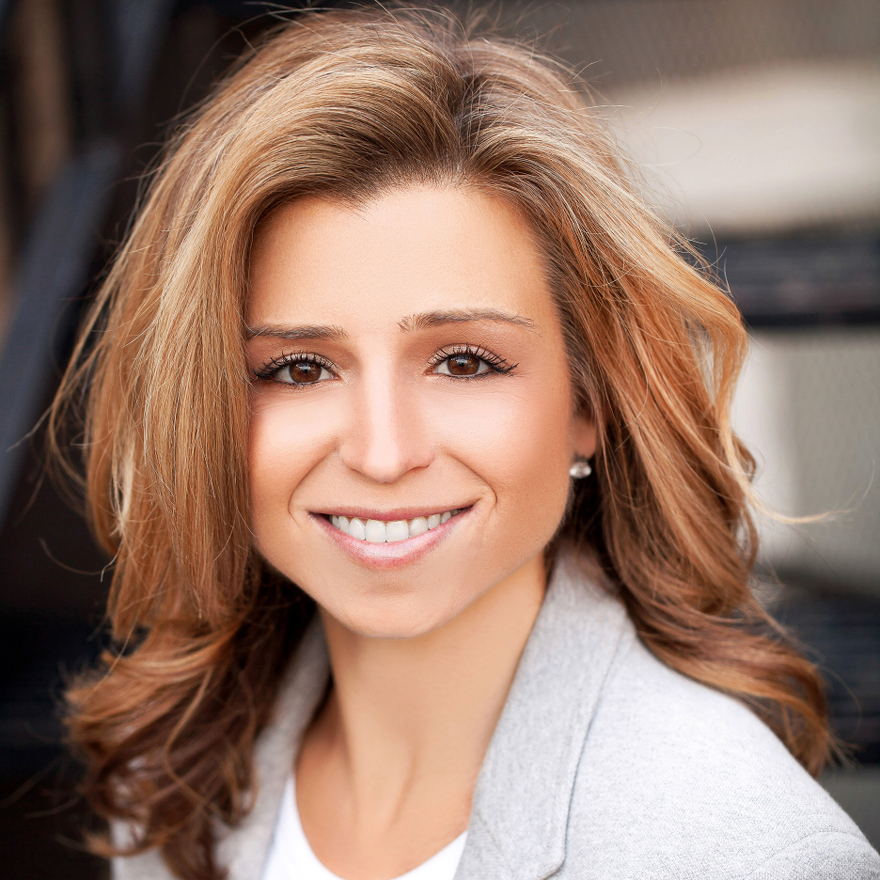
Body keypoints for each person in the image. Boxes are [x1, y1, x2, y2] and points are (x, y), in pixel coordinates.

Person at [48, 8, 880, 880]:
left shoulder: (746, 852)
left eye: (464, 362)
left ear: (588, 402)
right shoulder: (173, 785)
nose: (382, 453)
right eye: (298, 368)